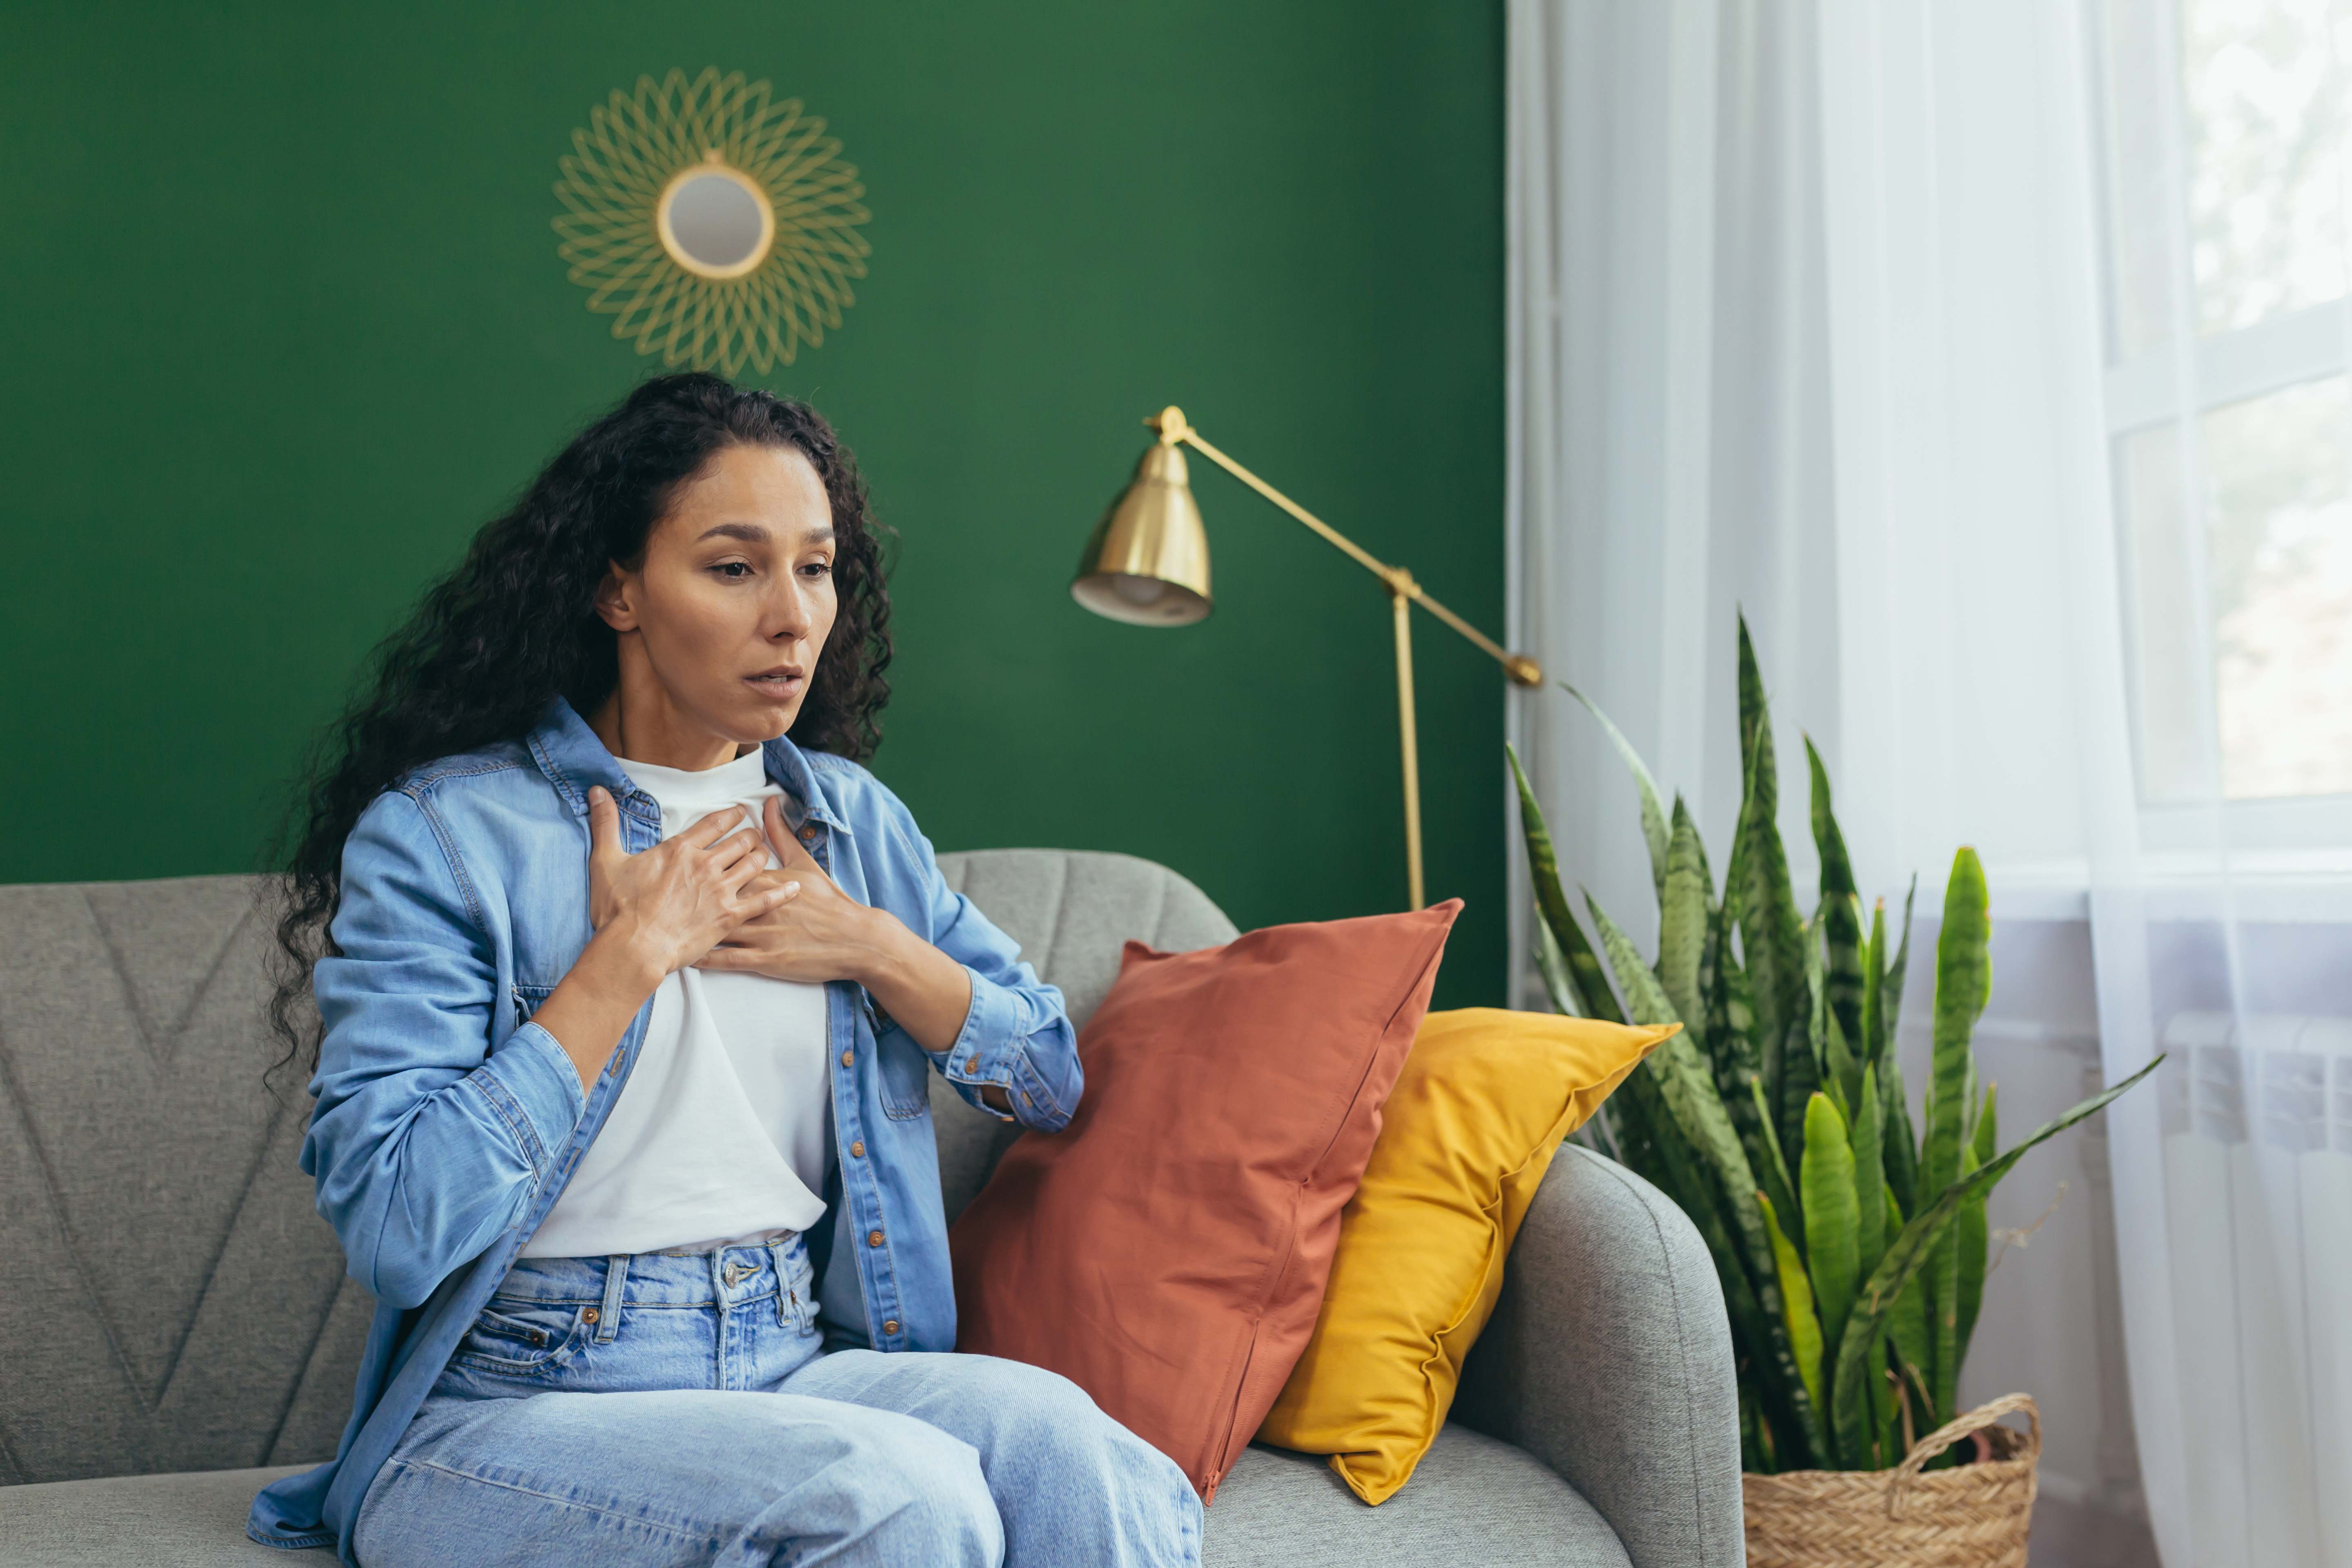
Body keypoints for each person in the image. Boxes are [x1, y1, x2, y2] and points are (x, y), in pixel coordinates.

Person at [247, 374, 1200, 1566]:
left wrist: (869, 944)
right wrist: (627, 960)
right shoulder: (445, 837)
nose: (796, 618)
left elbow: (1048, 1077)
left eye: (818, 567)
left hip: (787, 1354)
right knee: (900, 1498)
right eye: (736, 567)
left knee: (1074, 1455)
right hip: (514, 1409)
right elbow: (397, 1225)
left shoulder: (847, 825)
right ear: (618, 589)